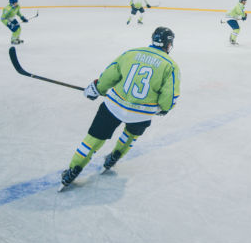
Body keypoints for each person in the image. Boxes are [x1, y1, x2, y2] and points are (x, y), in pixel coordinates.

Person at [59, 27, 180, 190]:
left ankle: (74, 169)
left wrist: (97, 89)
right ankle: (114, 157)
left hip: (114, 105)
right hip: (141, 114)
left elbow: (110, 75)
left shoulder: (131, 53)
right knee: (129, 136)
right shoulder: (171, 65)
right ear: (168, 44)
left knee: (94, 139)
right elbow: (169, 97)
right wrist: (164, 108)